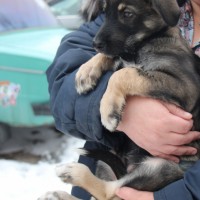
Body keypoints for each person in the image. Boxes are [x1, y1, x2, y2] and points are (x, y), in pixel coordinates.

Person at [46, 0, 200, 199]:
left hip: (175, 177)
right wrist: (127, 111)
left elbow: (183, 88)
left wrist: (173, 196)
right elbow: (63, 80)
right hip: (119, 159)